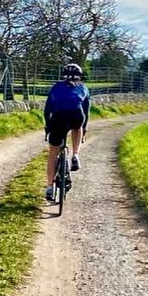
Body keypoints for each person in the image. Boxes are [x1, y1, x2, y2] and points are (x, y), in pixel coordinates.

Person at [43, 62, 90, 201]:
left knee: (53, 152)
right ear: (79, 76)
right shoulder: (83, 87)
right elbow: (86, 111)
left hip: (58, 118)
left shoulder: (56, 87)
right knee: (78, 127)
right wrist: (85, 127)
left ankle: (50, 187)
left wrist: (47, 127)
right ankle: (75, 155)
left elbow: (47, 109)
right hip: (76, 116)